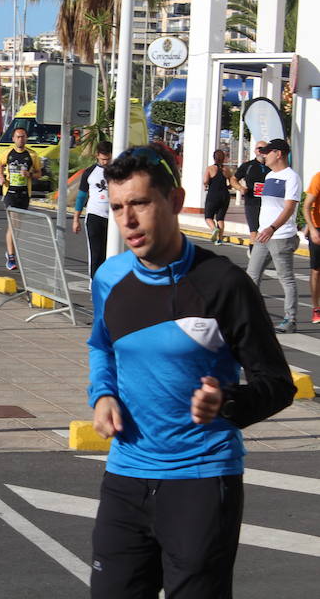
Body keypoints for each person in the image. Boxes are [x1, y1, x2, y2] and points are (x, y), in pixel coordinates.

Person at [88, 143, 295, 599]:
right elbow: (101, 346)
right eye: (119, 206)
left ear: (175, 201)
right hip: (126, 475)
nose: (128, 219)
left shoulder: (223, 283)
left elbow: (277, 384)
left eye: (140, 203)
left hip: (201, 479)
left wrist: (227, 402)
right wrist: (102, 394)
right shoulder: (110, 277)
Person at [245, 138, 302, 334]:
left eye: (267, 152)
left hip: (281, 235)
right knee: (251, 276)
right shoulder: (269, 176)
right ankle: (250, 316)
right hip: (263, 235)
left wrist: (273, 228)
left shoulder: (291, 177)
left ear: (278, 154)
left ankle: (290, 319)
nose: (263, 154)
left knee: (285, 278)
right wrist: (262, 229)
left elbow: (289, 208)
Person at [0, 127, 41, 271]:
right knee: (13, 223)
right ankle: (11, 257)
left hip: (24, 193)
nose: (20, 139)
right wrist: (2, 177)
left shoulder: (32, 155)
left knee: (18, 227)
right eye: (18, 137)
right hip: (10, 192)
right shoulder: (8, 153)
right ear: (13, 138)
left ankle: (10, 253)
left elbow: (38, 173)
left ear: (26, 138)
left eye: (23, 137)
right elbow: (0, 164)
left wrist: (29, 175)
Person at [72, 141, 112, 280]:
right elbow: (81, 196)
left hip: (112, 218)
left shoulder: (117, 172)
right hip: (94, 216)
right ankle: (94, 283)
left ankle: (107, 283)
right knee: (96, 253)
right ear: (97, 156)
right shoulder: (90, 172)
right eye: (102, 159)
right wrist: (76, 219)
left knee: (110, 253)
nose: (105, 162)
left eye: (108, 159)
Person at [231, 141, 269, 256]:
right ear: (255, 150)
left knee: (265, 232)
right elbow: (233, 179)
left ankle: (261, 255)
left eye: (264, 149)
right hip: (252, 202)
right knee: (254, 231)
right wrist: (240, 188)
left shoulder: (271, 166)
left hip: (268, 204)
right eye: (259, 148)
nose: (261, 151)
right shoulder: (248, 166)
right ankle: (253, 256)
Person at [301, 170, 320, 324]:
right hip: (318, 229)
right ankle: (316, 308)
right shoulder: (318, 178)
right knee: (316, 271)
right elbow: (306, 206)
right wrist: (312, 228)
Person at [202, 149, 232, 245]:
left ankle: (214, 229)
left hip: (213, 195)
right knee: (220, 218)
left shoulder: (210, 168)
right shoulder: (226, 169)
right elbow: (231, 182)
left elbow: (205, 181)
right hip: (225, 195)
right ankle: (219, 239)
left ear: (214, 158)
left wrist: (206, 185)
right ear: (223, 158)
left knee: (208, 216)